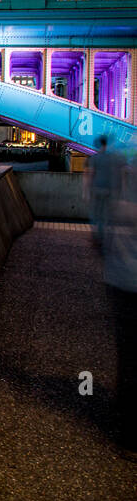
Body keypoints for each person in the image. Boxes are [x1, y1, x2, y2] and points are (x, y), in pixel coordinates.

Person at [100, 148, 137, 461]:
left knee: (128, 356)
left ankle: (127, 429)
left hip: (123, 278)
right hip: (125, 278)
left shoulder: (126, 171)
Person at [87, 136, 126, 246]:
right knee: (109, 215)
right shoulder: (115, 158)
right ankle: (108, 237)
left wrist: (87, 191)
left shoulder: (95, 158)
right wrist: (122, 192)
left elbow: (91, 174)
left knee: (97, 214)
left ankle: (98, 237)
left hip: (97, 189)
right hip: (110, 190)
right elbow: (121, 175)